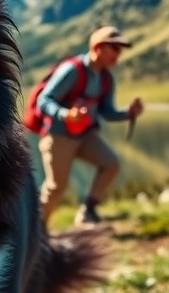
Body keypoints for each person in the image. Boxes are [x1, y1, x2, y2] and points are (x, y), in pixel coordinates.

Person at [36, 26, 145, 226]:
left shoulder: (106, 78)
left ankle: (88, 210)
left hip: (85, 135)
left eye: (120, 49)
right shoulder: (72, 70)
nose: (118, 54)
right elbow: (44, 100)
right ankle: (37, 230)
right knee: (56, 187)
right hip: (59, 135)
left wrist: (128, 113)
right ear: (97, 47)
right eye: (114, 47)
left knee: (111, 163)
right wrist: (66, 115)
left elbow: (106, 111)